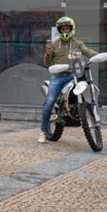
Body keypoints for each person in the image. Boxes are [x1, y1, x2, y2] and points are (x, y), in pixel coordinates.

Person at [39, 15, 93, 143]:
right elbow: (47, 63)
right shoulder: (54, 44)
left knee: (87, 90)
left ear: (71, 29)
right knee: (49, 101)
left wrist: (97, 56)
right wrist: (47, 54)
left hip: (74, 75)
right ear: (59, 30)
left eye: (66, 29)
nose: (64, 31)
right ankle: (43, 131)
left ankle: (88, 117)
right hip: (58, 77)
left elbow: (87, 52)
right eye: (62, 29)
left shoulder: (77, 43)